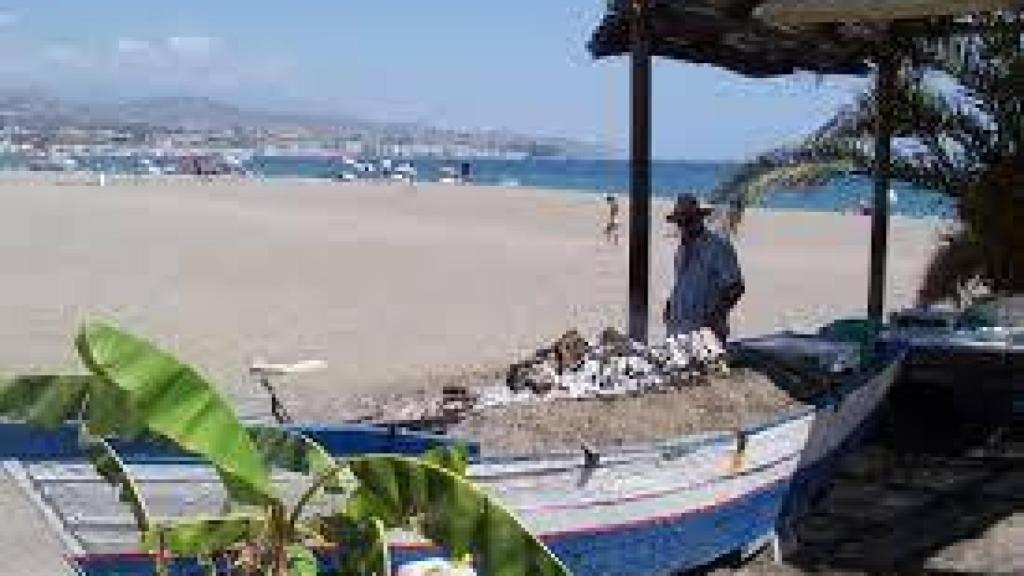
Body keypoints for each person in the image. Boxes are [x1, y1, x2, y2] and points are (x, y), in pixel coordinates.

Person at [663, 194, 745, 342]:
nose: (684, 227)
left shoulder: (717, 246)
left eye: (688, 222)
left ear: (699, 220)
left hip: (707, 334)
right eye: (680, 223)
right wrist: (671, 304)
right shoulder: (681, 250)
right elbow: (683, 283)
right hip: (679, 331)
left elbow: (735, 286)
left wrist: (715, 314)